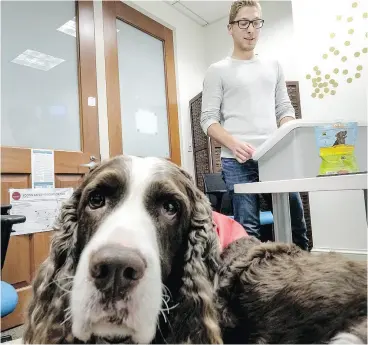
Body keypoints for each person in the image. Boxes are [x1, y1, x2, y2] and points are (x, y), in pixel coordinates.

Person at [200, 0, 309, 250]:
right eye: (244, 23)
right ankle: (252, 285)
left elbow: (284, 109)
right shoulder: (218, 70)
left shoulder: (274, 66)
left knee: (294, 224)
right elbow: (208, 119)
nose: (251, 29)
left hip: (274, 157)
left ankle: (303, 280)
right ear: (230, 28)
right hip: (236, 161)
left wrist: (285, 133)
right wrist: (232, 143)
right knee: (248, 230)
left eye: (256, 22)